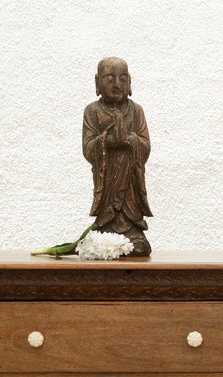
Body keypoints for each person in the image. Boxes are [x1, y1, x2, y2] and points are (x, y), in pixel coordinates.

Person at [83, 57, 153, 256]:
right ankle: (106, 230)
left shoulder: (136, 111)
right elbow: (88, 148)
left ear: (129, 82)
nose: (117, 84)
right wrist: (108, 141)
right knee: (101, 232)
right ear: (97, 82)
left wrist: (131, 140)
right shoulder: (92, 111)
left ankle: (132, 232)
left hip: (130, 182)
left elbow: (145, 146)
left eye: (123, 79)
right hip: (108, 183)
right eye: (110, 78)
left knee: (139, 246)